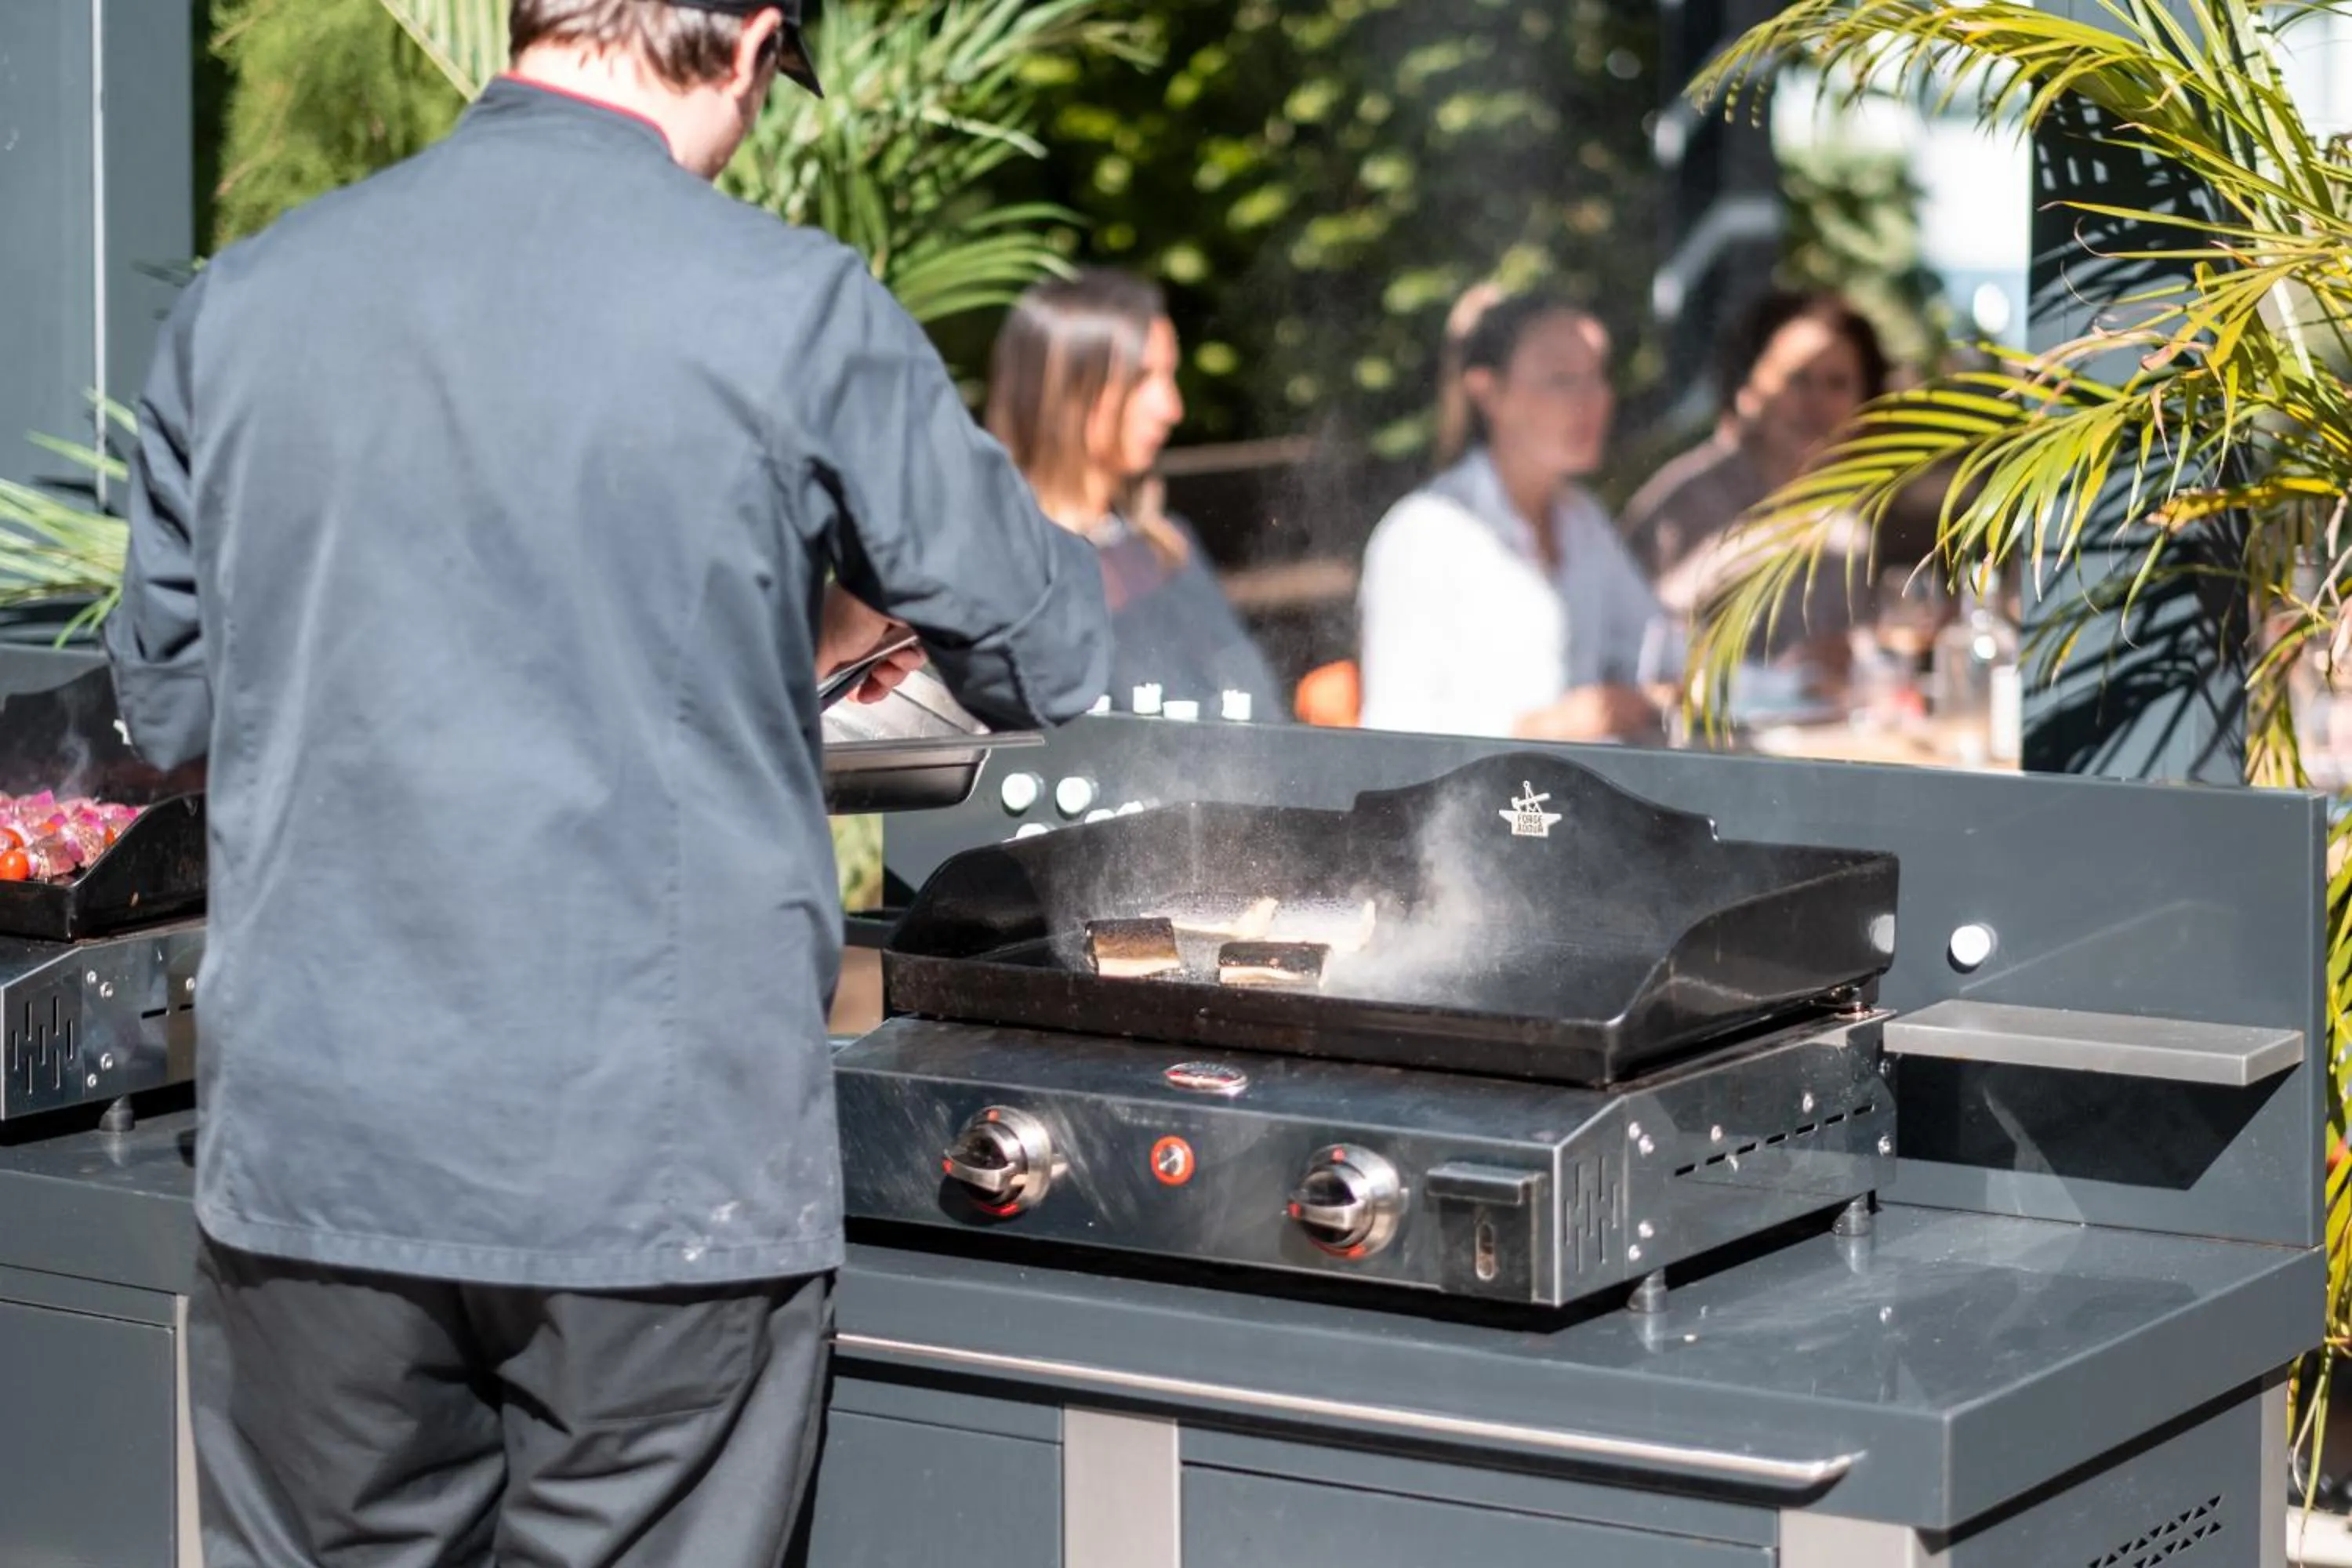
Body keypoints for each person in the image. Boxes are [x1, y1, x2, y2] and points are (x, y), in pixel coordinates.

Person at [103, 2, 1111, 1564]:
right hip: (654, 1166)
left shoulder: (245, 302)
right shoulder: (789, 309)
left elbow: (172, 708)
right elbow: (1043, 654)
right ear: (751, 43)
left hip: (315, 1152)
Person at [1356, 290, 1665, 742]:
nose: (1594, 399)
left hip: (1584, 783)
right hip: (1480, 789)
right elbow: (1392, 731)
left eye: (1598, 375)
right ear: (1488, 393)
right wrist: (1546, 727)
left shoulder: (1582, 520)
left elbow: (1658, 649)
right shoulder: (1425, 534)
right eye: (1562, 380)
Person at [985, 268, 1285, 718]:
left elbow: (1258, 707)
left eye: (1168, 376)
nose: (1171, 409)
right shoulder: (1003, 568)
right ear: (1066, 388)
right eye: (1142, 378)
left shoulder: (1165, 549)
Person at [1620, 288, 1888, 666]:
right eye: (1797, 378)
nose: (1816, 403)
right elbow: (1632, 644)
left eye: (1837, 383)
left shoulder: (1848, 529)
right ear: (1746, 390)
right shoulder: (1688, 504)